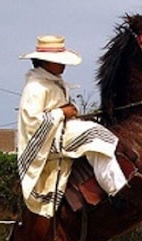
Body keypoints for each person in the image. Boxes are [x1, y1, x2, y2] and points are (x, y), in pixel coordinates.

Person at [17, 35, 127, 218]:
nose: (63, 66)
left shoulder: (52, 82)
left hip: (60, 132)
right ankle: (116, 190)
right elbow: (32, 122)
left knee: (97, 131)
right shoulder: (35, 86)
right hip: (47, 140)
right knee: (94, 135)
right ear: (45, 62)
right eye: (58, 61)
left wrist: (68, 112)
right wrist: (62, 113)